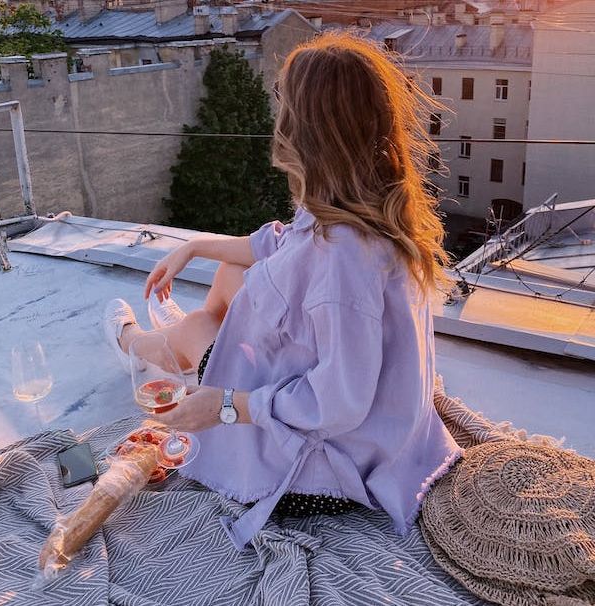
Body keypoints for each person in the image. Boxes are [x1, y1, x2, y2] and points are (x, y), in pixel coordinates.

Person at [104, 32, 462, 551]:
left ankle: (136, 344)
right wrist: (196, 247)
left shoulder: (345, 257)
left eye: (283, 101)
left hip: (329, 467)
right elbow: (281, 244)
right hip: (382, 430)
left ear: (303, 129)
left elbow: (337, 403)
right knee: (233, 281)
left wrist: (223, 406)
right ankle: (168, 343)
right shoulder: (364, 203)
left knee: (206, 325)